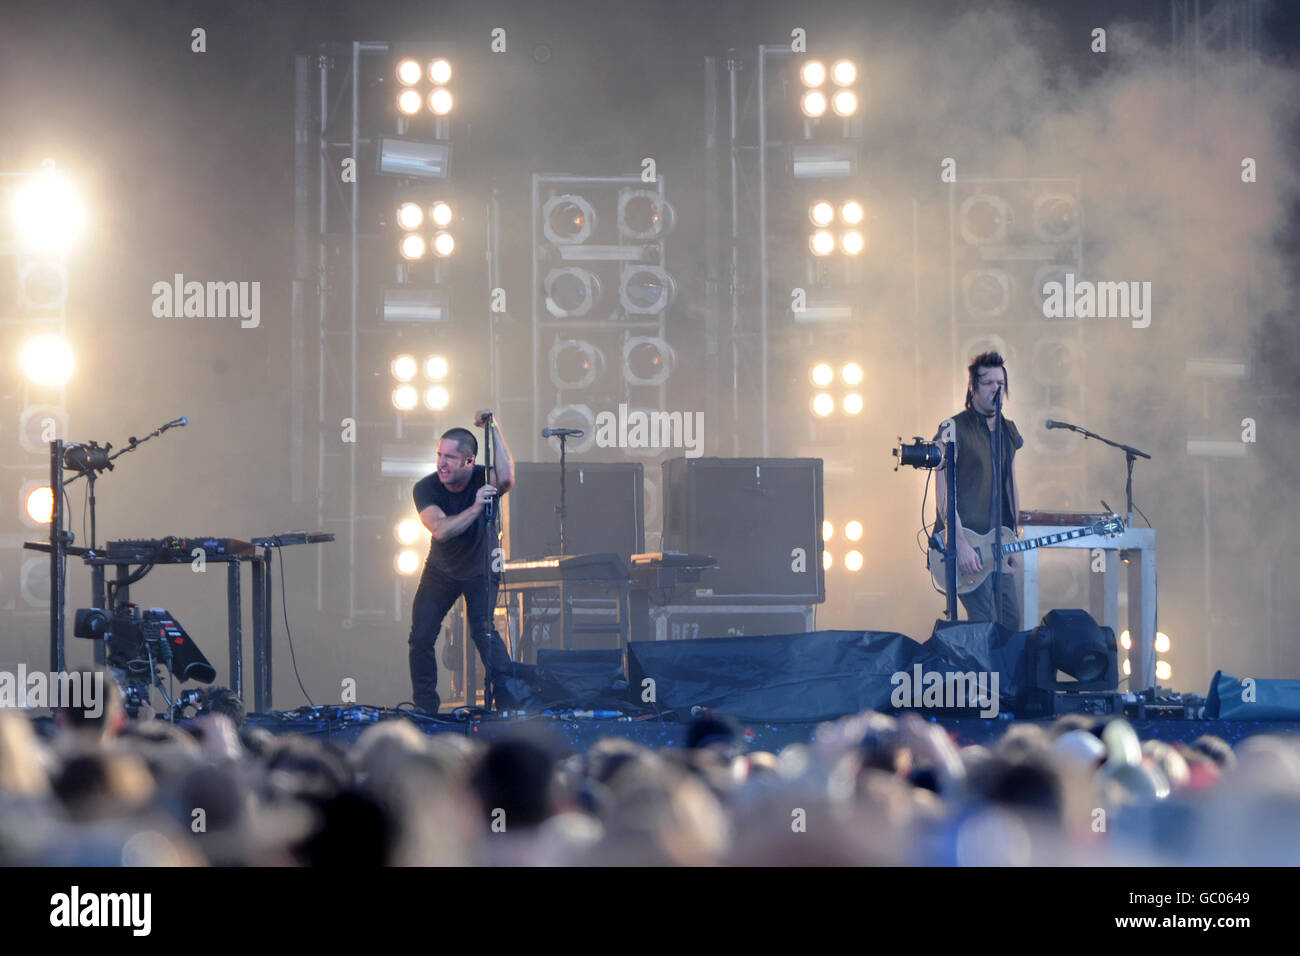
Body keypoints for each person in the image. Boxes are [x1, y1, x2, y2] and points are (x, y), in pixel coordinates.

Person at [408, 410, 516, 713]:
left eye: (450, 458)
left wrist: (493, 426)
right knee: (421, 635)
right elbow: (441, 531)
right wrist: (476, 507)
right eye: (439, 455)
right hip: (441, 570)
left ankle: (509, 705)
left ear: (469, 461)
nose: (441, 463)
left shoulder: (483, 477)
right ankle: (426, 709)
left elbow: (506, 477)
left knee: (483, 632)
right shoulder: (426, 488)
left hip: (481, 568)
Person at [933, 352, 1023, 632]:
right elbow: (943, 490)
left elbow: (1011, 485)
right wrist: (958, 542)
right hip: (965, 542)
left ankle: (1003, 677)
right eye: (989, 383)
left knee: (1010, 623)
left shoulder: (1008, 431)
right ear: (973, 387)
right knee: (983, 624)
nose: (997, 389)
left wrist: (1015, 538)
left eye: (1001, 382)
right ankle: (979, 677)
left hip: (999, 542)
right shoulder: (954, 427)